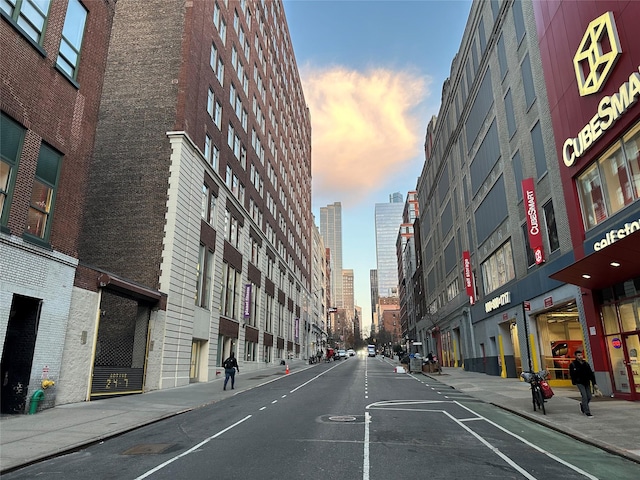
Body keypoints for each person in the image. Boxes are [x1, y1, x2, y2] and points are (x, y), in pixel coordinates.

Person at [569, 350, 597, 417]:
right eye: (578, 355)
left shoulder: (586, 364)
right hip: (579, 382)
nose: (580, 356)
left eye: (581, 355)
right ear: (575, 356)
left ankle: (583, 405)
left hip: (586, 382)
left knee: (589, 396)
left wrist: (594, 383)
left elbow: (591, 374)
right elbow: (572, 374)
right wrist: (574, 382)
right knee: (584, 396)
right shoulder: (573, 364)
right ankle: (587, 412)